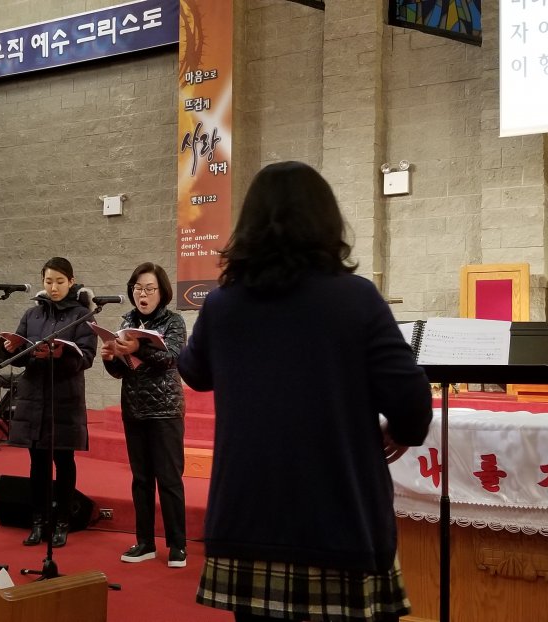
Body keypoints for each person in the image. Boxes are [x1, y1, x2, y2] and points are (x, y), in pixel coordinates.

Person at [178, 161, 433, 622]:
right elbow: (410, 398)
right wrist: (403, 430)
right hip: (339, 517)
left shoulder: (222, 304)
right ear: (326, 222)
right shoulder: (356, 297)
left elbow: (195, 373)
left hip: (248, 517)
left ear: (248, 226)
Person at [0, 257, 97, 548]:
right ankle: (38, 522)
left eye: (59, 281)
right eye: (48, 281)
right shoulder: (32, 314)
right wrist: (13, 349)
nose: (53, 287)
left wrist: (59, 355)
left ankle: (62, 521)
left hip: (64, 397)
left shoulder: (83, 315)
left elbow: (87, 357)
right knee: (37, 463)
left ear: (71, 281)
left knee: (64, 461)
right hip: (34, 397)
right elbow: (17, 359)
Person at [100, 262, 188, 568]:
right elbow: (121, 372)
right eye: (138, 288)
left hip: (165, 409)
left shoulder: (174, 321)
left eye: (149, 288)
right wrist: (110, 358)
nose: (143, 294)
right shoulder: (126, 321)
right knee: (141, 479)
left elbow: (172, 358)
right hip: (134, 408)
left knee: (169, 479)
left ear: (162, 292)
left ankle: (177, 545)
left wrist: (138, 347)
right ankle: (145, 542)